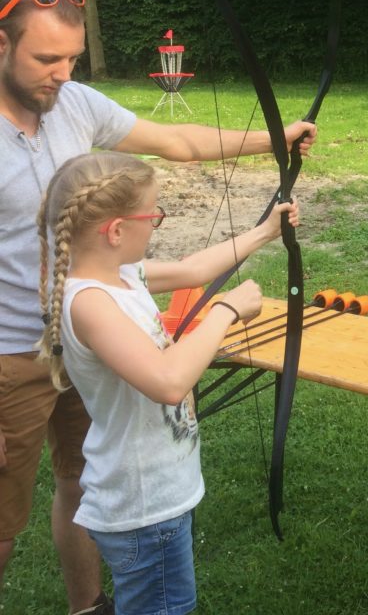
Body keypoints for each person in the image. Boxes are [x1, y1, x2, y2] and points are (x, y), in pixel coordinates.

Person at [0, 0, 316, 614]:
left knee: (82, 483)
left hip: (92, 347)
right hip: (9, 357)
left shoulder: (75, 102)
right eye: (46, 59)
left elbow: (178, 142)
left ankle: (87, 607)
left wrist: (274, 137)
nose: (63, 75)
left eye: (72, 59)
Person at [36, 150, 298, 615]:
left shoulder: (121, 276)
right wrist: (226, 310)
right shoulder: (90, 302)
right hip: (141, 508)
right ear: (116, 231)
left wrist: (264, 232)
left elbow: (194, 269)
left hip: (157, 497)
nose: (156, 223)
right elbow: (169, 380)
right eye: (152, 216)